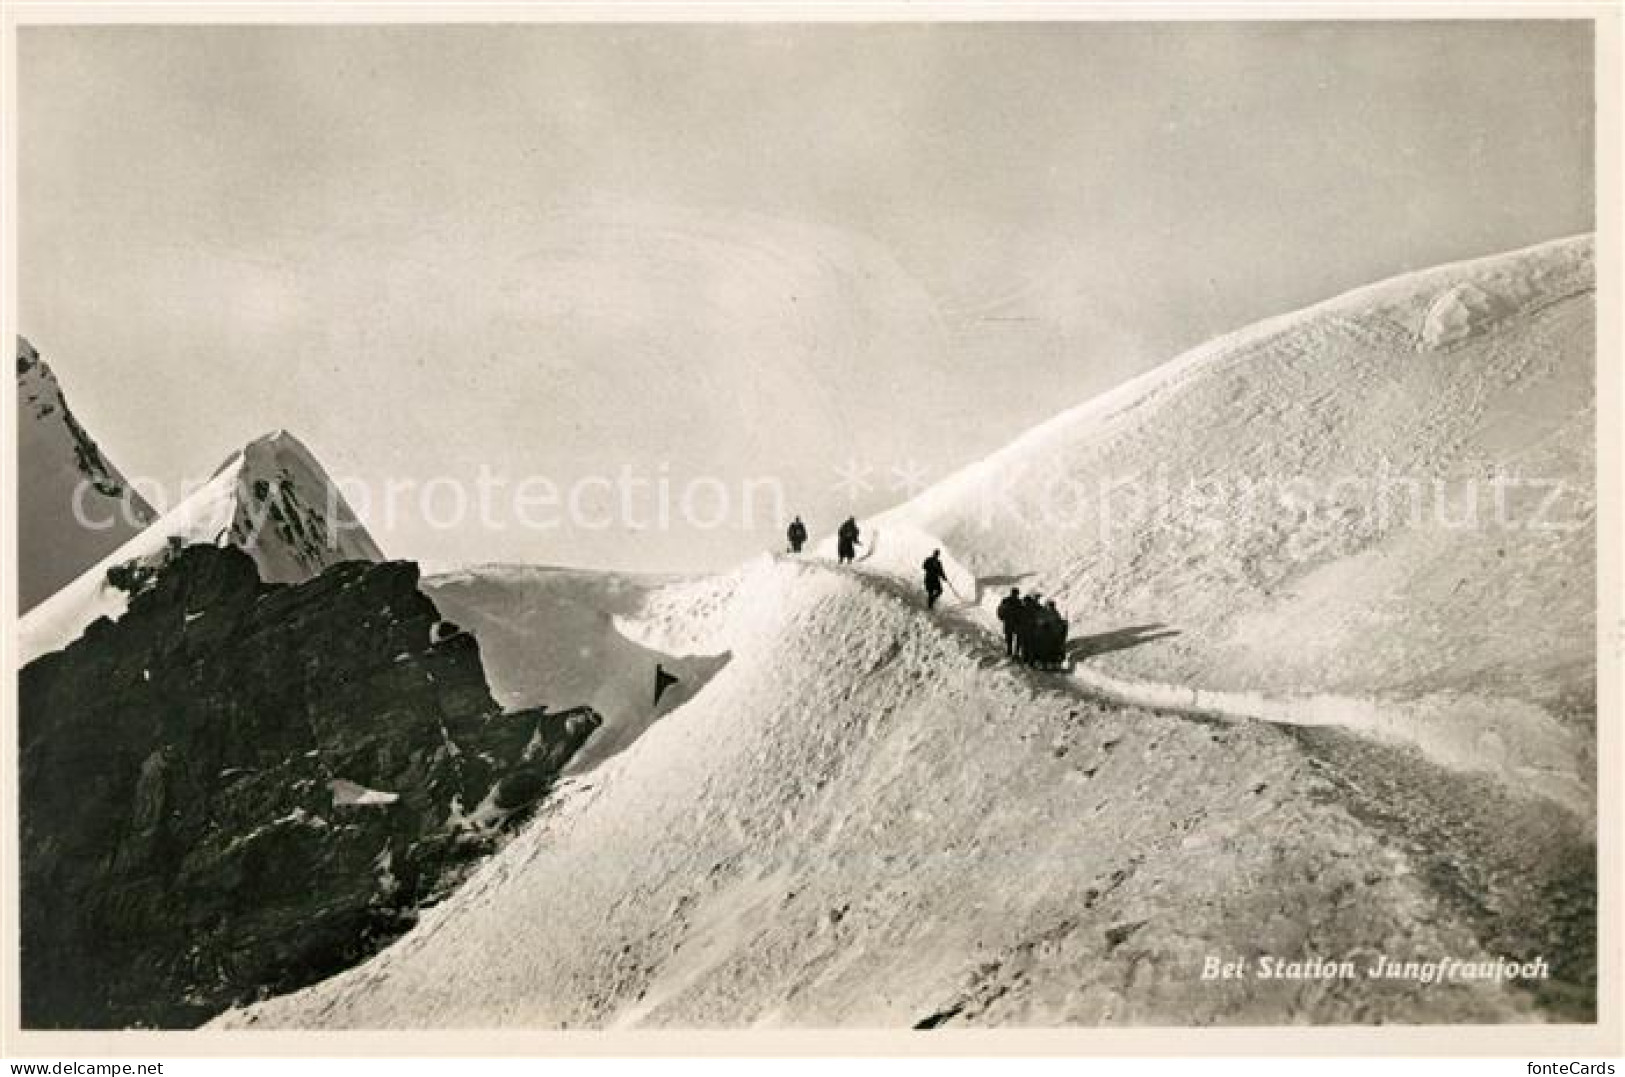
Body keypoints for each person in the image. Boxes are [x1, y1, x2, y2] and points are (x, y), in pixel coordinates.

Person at [996, 587, 1023, 657]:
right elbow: (1000, 610)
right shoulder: (1016, 602)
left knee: (1012, 638)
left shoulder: (1010, 601)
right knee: (1012, 638)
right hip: (1013, 622)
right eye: (1016, 594)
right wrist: (1002, 617)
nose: (1016, 595)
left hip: (1012, 622)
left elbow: (1000, 609)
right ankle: (1012, 652)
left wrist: (1002, 618)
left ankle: (1012, 652)